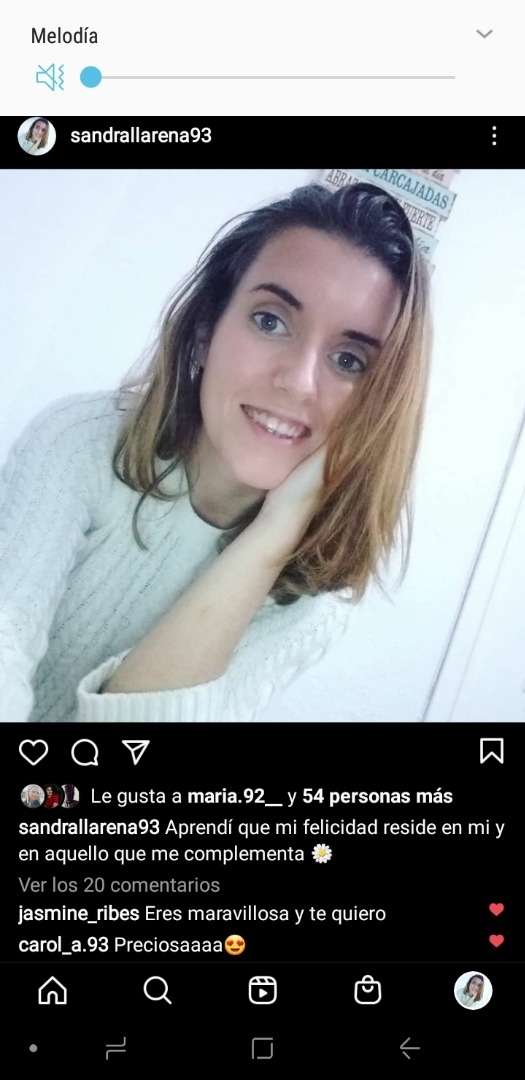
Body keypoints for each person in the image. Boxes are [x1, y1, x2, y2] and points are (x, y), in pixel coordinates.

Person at [0, 182, 431, 723]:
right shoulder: (81, 442)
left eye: (350, 361)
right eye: (271, 321)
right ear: (206, 329)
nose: (299, 382)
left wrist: (271, 539)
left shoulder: (311, 609)